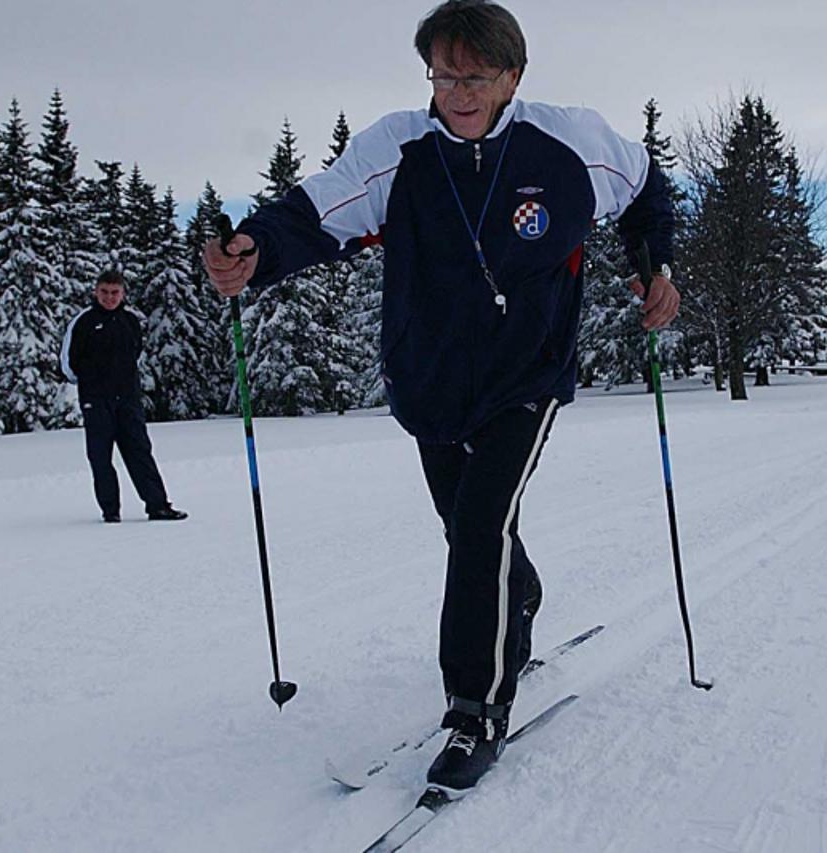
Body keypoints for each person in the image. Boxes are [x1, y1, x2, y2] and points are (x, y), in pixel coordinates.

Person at [204, 0, 676, 796]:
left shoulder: (571, 144)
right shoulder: (400, 149)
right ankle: (517, 594)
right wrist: (253, 251)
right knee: (468, 530)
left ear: (512, 76)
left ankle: (476, 708)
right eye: (443, 73)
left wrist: (654, 266)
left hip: (527, 372)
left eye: (474, 74)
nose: (456, 91)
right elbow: (318, 209)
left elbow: (647, 188)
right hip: (430, 378)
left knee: (481, 524)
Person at [60, 270, 188, 522]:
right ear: (96, 292)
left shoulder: (130, 321)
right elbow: (67, 363)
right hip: (96, 401)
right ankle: (110, 511)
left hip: (128, 400)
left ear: (123, 293)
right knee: (100, 457)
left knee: (140, 452)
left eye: (115, 292)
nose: (109, 297)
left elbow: (135, 354)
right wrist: (91, 383)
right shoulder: (83, 321)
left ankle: (158, 506)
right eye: (105, 292)